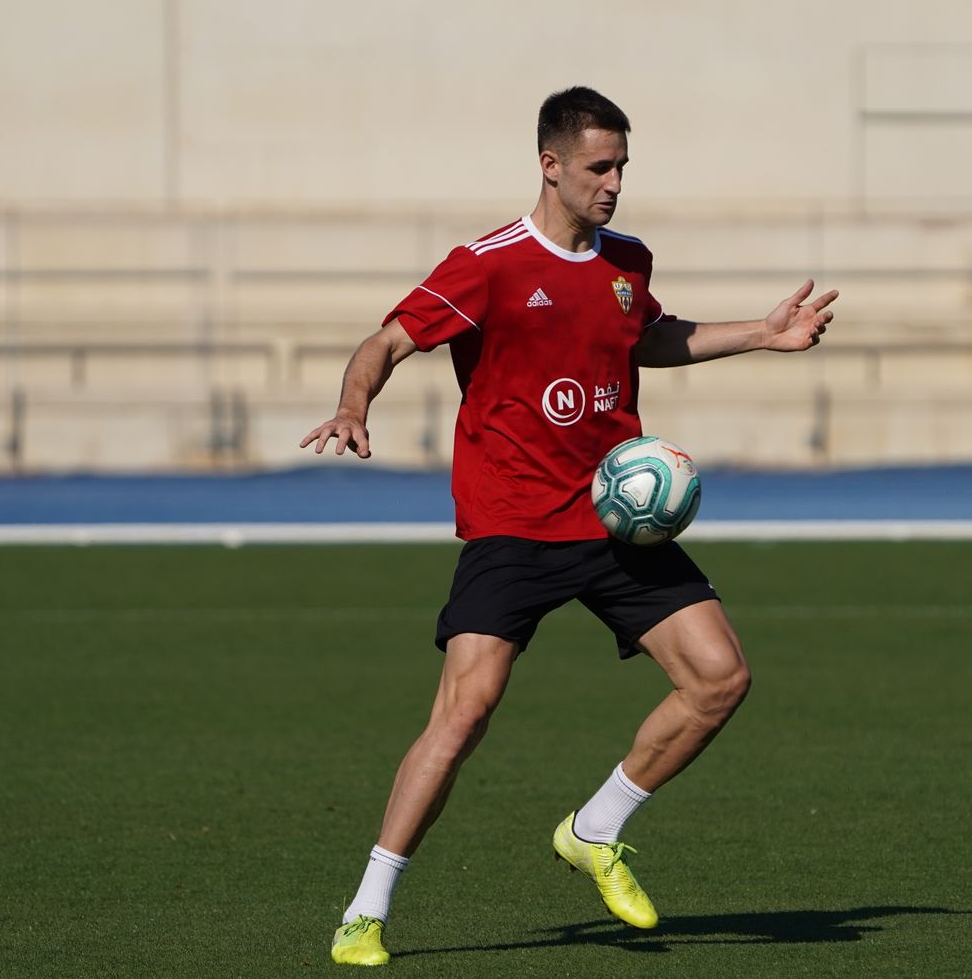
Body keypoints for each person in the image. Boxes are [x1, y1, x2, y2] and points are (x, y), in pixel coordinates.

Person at [301, 86, 837, 967]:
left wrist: (761, 335)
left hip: (614, 523)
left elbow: (649, 337)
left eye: (623, 165)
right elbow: (389, 340)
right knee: (465, 714)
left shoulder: (630, 260)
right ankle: (367, 908)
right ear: (550, 165)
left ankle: (597, 828)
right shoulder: (490, 262)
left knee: (720, 678)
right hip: (512, 526)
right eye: (599, 166)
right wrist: (354, 403)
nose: (615, 182)